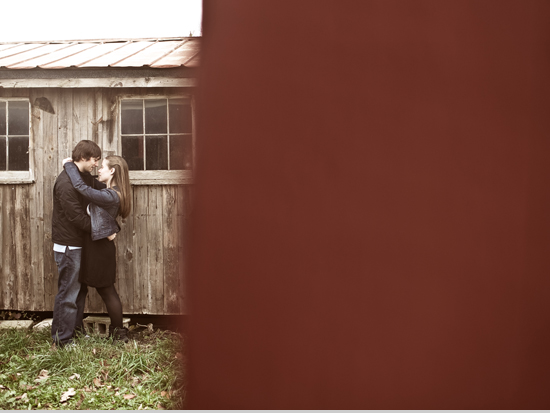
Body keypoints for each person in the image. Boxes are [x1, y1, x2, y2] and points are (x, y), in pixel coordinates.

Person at [63, 155, 132, 343]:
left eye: (102, 167)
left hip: (100, 250)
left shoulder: (110, 195)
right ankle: (77, 329)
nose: (98, 169)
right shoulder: (109, 190)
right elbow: (89, 182)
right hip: (96, 246)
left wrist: (68, 165)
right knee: (86, 287)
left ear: (112, 171)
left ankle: (119, 333)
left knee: (107, 291)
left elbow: (82, 187)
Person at [51, 140, 102, 347]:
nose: (96, 164)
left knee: (78, 292)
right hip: (68, 246)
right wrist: (103, 230)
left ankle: (73, 332)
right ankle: (62, 339)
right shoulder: (65, 183)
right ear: (83, 158)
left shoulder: (82, 177)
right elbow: (77, 218)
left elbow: (98, 189)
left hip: (78, 245)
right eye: (94, 160)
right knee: (68, 293)